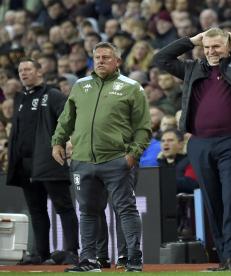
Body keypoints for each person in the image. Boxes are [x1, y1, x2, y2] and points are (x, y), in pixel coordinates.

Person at [153, 27, 231, 271]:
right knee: (212, 201)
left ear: (227, 46)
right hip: (199, 144)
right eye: (207, 47)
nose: (211, 52)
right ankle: (223, 258)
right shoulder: (192, 69)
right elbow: (161, 59)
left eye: (216, 46)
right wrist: (190, 41)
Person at [51, 42, 151, 272]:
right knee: (86, 211)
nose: (101, 61)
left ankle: (133, 259)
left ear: (118, 61)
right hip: (82, 160)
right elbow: (67, 118)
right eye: (97, 57)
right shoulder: (80, 85)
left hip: (116, 159)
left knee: (125, 209)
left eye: (106, 57)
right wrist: (57, 141)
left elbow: (143, 127)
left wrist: (133, 154)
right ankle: (89, 260)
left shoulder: (132, 87)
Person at [6, 58, 79, 265]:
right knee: (36, 210)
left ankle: (72, 251)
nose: (23, 73)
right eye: (20, 70)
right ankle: (42, 253)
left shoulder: (53, 95)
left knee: (63, 206)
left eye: (28, 69)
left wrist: (69, 141)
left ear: (40, 72)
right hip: (25, 164)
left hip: (49, 161)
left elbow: (69, 118)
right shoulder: (20, 99)